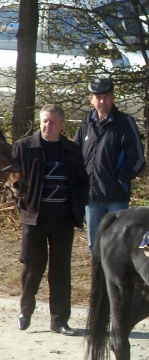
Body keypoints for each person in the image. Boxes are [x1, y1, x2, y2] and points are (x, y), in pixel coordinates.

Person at [12, 105, 90, 335]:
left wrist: (77, 207)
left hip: (63, 220)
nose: (48, 126)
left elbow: (82, 182)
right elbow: (11, 179)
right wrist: (21, 203)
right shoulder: (24, 147)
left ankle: (59, 321)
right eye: (45, 121)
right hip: (34, 219)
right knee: (32, 268)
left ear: (63, 125)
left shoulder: (72, 150)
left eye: (53, 122)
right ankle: (25, 312)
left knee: (60, 271)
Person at [75, 78, 145, 256]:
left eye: (106, 97)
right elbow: (75, 155)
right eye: (98, 97)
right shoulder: (86, 124)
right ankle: (98, 284)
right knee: (95, 248)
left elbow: (137, 158)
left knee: (118, 249)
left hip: (116, 197)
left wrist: (119, 178)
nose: (102, 102)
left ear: (113, 98)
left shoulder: (124, 122)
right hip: (91, 199)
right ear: (91, 99)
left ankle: (117, 285)